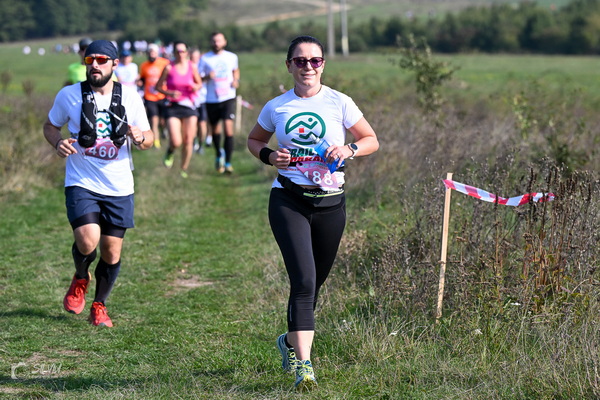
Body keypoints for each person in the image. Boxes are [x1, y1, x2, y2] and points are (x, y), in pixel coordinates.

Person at [247, 35, 379, 391]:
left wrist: (349, 149)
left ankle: (290, 342)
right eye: (300, 61)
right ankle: (304, 367)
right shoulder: (277, 106)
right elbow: (254, 140)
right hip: (289, 200)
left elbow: (371, 139)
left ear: (323, 64)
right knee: (303, 281)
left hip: (331, 203)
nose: (308, 66)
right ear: (289, 65)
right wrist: (270, 156)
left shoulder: (340, 102)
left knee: (315, 282)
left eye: (315, 60)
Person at [43, 40, 154, 327]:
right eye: (90, 59)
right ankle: (81, 277)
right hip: (82, 180)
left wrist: (140, 137)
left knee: (111, 251)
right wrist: (58, 143)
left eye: (102, 60)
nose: (95, 65)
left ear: (115, 64)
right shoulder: (69, 95)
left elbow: (149, 138)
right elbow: (50, 125)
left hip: (119, 185)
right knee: (87, 240)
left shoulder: (130, 97)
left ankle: (99, 305)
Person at [155, 41, 202, 178]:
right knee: (176, 141)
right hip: (173, 106)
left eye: (183, 51)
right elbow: (158, 87)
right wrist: (169, 93)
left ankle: (184, 168)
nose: (181, 54)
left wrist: (195, 87)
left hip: (189, 105)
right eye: (178, 51)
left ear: (187, 53)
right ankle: (170, 151)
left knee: (188, 140)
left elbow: (199, 83)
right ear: (174, 53)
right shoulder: (169, 67)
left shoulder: (192, 66)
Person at [198, 32, 240, 173]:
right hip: (211, 99)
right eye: (214, 41)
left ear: (224, 42)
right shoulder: (205, 58)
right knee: (215, 129)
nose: (216, 43)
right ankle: (218, 154)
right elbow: (198, 78)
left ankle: (228, 162)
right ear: (211, 42)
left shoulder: (232, 57)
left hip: (228, 97)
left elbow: (235, 71)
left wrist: (236, 80)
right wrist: (207, 77)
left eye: (219, 41)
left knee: (228, 129)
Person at [138, 43, 170, 149]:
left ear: (157, 53)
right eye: (150, 52)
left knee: (162, 120)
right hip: (150, 97)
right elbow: (142, 78)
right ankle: (156, 142)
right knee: (154, 120)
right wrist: (140, 82)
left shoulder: (164, 63)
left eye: (154, 52)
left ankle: (164, 130)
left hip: (162, 95)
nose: (152, 54)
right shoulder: (144, 65)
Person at [190, 48, 209, 154]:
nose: (195, 59)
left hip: (202, 99)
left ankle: (201, 144)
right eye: (193, 57)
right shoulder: (187, 67)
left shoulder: (203, 67)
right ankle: (194, 143)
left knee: (202, 124)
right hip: (191, 100)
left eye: (197, 57)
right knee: (192, 125)